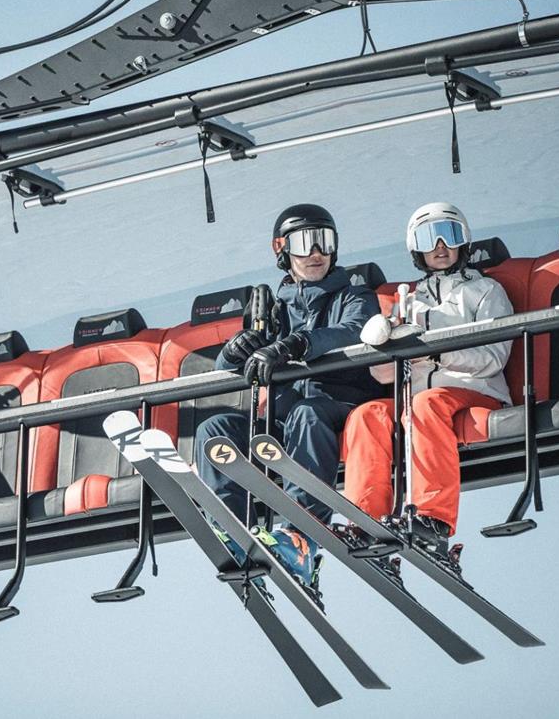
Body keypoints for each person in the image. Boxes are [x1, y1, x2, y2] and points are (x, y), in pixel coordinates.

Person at [196, 203, 381, 592]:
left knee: (306, 415)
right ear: (281, 249)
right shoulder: (275, 310)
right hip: (284, 420)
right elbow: (222, 371)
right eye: (303, 242)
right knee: (216, 430)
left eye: (324, 241)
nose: (315, 252)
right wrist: (237, 348)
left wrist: (297, 344)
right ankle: (235, 530)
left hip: (337, 407)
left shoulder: (354, 294)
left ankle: (300, 537)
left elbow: (353, 331)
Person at [343, 202, 513, 569]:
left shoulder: (484, 291)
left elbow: (494, 357)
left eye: (449, 235)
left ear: (463, 243)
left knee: (426, 404)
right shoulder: (409, 301)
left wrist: (435, 354)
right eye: (428, 238)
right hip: (418, 396)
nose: (439, 245)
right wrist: (384, 346)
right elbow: (383, 378)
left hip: (475, 392)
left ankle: (433, 518)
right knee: (368, 413)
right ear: (415, 249)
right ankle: (366, 519)